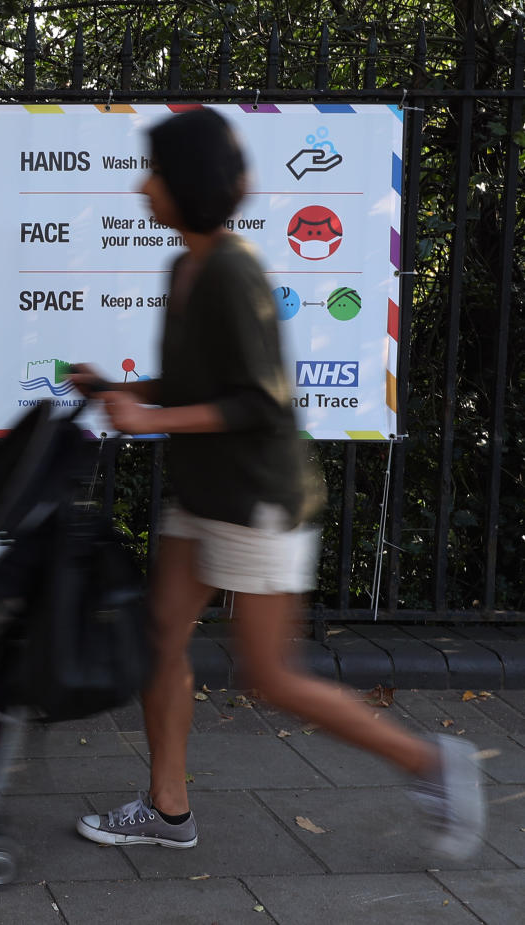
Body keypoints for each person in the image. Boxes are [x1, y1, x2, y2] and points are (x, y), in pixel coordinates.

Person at [68, 107, 486, 860]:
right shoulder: (185, 265)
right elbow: (205, 381)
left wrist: (148, 417)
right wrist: (121, 390)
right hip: (204, 496)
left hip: (259, 501)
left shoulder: (232, 270)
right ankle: (168, 808)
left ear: (182, 183)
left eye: (154, 170)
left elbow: (262, 400)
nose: (143, 184)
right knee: (158, 640)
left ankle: (432, 764)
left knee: (271, 676)